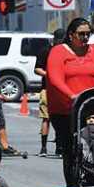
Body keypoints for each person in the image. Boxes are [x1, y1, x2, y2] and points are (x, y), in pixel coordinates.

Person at [47, 18, 94, 187]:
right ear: (71, 35)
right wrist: (71, 95)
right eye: (81, 34)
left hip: (89, 107)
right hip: (65, 109)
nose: (85, 37)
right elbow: (55, 78)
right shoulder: (59, 51)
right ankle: (72, 186)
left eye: (88, 34)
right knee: (71, 150)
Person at [34, 29, 65, 157]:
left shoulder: (65, 52)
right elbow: (37, 69)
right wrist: (50, 75)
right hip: (47, 89)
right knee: (46, 118)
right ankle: (43, 148)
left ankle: (59, 147)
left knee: (61, 119)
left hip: (61, 90)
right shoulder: (46, 51)